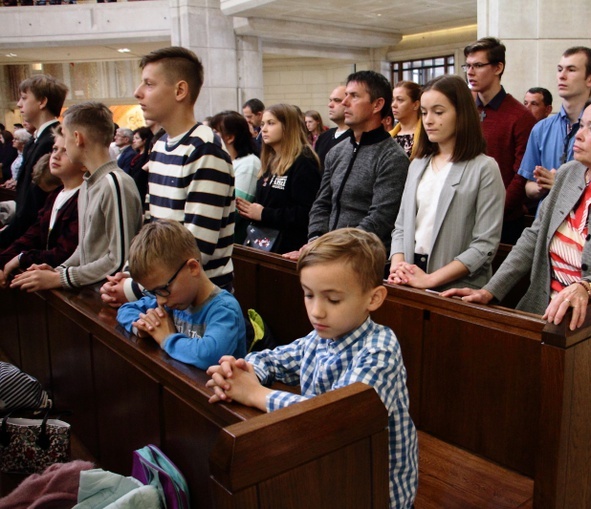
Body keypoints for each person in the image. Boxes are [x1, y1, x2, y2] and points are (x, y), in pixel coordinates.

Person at [444, 97, 591, 509]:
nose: (580, 134)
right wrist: (490, 290)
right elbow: (532, 239)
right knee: (550, 434)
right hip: (555, 328)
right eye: (581, 125)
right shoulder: (568, 176)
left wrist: (587, 286)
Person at [206, 228, 418, 508]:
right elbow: (273, 359)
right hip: (328, 471)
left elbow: (335, 418)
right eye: (308, 295)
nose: (317, 311)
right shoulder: (319, 338)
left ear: (374, 298)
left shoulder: (380, 349)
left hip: (376, 490)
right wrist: (242, 371)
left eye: (332, 299)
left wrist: (256, 395)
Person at [101, 46, 237, 306]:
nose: (137, 92)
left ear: (180, 91)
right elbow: (153, 228)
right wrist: (130, 273)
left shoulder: (204, 148)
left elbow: (197, 251)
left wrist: (134, 288)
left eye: (149, 84)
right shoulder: (160, 144)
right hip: (163, 291)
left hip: (203, 300)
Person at [10, 102, 143, 292]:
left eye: (64, 135)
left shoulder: (114, 183)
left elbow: (118, 259)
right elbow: (84, 248)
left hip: (107, 294)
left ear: (77, 138)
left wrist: (61, 278)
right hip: (89, 290)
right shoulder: (89, 183)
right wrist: (57, 271)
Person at [388, 75, 504, 291]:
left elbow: (485, 244)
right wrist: (398, 266)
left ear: (461, 114)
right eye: (424, 112)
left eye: (438, 112)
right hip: (411, 275)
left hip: (456, 284)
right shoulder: (418, 164)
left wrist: (431, 280)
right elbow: (401, 226)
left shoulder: (484, 168)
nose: (429, 120)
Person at [285, 70, 409, 259]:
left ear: (377, 104)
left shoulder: (392, 156)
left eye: (354, 96)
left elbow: (380, 218)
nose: (344, 102)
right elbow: (321, 203)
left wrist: (330, 249)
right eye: (345, 96)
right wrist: (315, 240)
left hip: (363, 259)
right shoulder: (337, 150)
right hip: (328, 253)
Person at [117, 220, 246, 370]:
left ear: (192, 268)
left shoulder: (224, 309)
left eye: (163, 289)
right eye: (154, 292)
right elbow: (125, 310)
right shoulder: (173, 300)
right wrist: (142, 327)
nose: (160, 300)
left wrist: (167, 339)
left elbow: (208, 356)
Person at [464, 37, 536, 243]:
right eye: (467, 66)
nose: (470, 72)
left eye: (478, 65)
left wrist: (495, 212)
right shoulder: (465, 111)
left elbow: (521, 174)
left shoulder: (520, 116)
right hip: (466, 216)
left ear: (498, 68)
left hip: (504, 221)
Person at [0, 128, 82, 288]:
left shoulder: (82, 198)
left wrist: (21, 258)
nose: (56, 155)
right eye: (54, 149)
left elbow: (65, 252)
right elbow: (33, 233)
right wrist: (3, 261)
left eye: (65, 151)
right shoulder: (55, 195)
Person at [520, 47, 591, 205]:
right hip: (545, 224)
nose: (561, 76)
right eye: (559, 69)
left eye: (571, 70)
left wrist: (560, 185)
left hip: (584, 225)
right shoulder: (541, 129)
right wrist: (540, 186)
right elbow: (528, 186)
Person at [235, 104, 321, 253]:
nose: (264, 129)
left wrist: (264, 214)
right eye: (262, 124)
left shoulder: (304, 161)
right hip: (264, 243)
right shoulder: (270, 160)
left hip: (289, 248)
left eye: (271, 123)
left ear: (288, 127)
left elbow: (307, 212)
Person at [0, 74, 69, 250]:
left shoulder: (52, 140)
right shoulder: (35, 140)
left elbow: (35, 204)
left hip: (37, 240)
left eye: (24, 98)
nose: (18, 104)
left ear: (42, 102)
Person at [208, 110, 261, 244]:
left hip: (233, 239)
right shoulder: (221, 160)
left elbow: (237, 208)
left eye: (215, 132)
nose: (210, 136)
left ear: (230, 137)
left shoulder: (248, 163)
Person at [314, 85, 351, 169]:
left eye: (337, 100)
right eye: (330, 100)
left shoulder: (356, 137)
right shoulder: (323, 137)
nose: (330, 105)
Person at [389, 81, 422, 159]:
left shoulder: (425, 136)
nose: (393, 105)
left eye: (400, 100)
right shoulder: (389, 136)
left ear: (416, 105)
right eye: (393, 100)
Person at [126, 126, 154, 204]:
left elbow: (140, 177)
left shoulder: (147, 157)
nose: (134, 141)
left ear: (144, 140)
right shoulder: (136, 155)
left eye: (137, 138)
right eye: (134, 138)